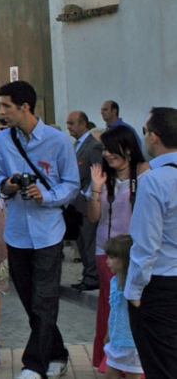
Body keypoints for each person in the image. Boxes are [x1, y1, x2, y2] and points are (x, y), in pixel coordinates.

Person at [0, 81, 78, 379]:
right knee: (30, 301)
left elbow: (72, 184)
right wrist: (9, 185)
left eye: (5, 106)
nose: (1, 111)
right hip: (16, 231)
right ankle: (57, 352)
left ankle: (33, 366)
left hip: (48, 232)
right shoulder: (3, 141)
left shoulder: (58, 141)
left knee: (44, 299)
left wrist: (47, 196)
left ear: (24, 107)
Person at [85, 125, 149, 369]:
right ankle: (108, 362)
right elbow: (93, 217)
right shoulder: (103, 176)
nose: (108, 154)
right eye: (105, 150)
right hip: (107, 252)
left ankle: (136, 363)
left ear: (129, 149)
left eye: (113, 149)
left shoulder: (144, 174)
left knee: (134, 305)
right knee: (109, 306)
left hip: (135, 252)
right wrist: (96, 187)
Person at [126, 106, 177, 378]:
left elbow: (146, 245)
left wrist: (133, 291)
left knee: (161, 366)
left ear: (154, 137)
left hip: (160, 284)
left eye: (144, 132)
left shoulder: (154, 180)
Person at [67, 110, 104, 292]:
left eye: (72, 123)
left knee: (89, 239)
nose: (69, 127)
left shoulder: (93, 146)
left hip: (86, 201)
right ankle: (87, 273)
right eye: (67, 123)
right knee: (81, 240)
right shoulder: (76, 145)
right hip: (76, 203)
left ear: (83, 124)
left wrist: (86, 194)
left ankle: (92, 276)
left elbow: (96, 172)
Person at [102, 235, 143, 379]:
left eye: (112, 257)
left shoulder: (136, 285)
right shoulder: (114, 281)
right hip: (116, 339)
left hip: (133, 342)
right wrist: (108, 333)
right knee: (110, 375)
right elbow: (114, 310)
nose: (107, 261)